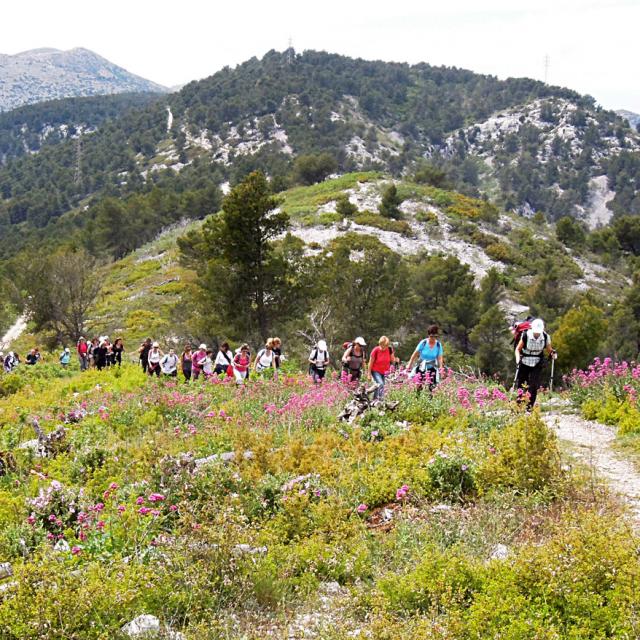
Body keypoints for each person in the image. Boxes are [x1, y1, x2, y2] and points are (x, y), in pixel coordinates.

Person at [515, 318, 556, 410]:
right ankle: (519, 407)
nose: (537, 333)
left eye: (539, 332)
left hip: (537, 362)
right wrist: (518, 360)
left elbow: (549, 350)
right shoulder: (525, 335)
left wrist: (553, 353)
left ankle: (529, 408)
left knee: (533, 385)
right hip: (525, 361)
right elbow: (518, 349)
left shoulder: (545, 336)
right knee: (521, 384)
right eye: (536, 332)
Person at [407, 325, 444, 391]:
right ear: (428, 335)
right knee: (419, 385)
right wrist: (409, 365)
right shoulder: (423, 343)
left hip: (432, 367)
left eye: (435, 336)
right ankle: (417, 399)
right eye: (431, 336)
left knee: (432, 387)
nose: (433, 338)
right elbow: (414, 355)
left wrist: (441, 368)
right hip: (421, 366)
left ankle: (430, 400)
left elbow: (440, 357)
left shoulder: (438, 345)